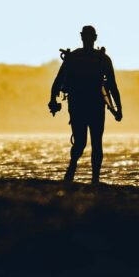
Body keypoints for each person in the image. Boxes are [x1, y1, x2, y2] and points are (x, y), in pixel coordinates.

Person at [48, 25, 122, 183]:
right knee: (87, 142)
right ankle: (79, 171)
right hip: (87, 106)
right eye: (87, 36)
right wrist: (118, 108)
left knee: (90, 142)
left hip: (82, 106)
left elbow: (58, 81)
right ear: (87, 38)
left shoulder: (81, 57)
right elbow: (112, 86)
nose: (88, 39)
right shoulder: (96, 58)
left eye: (89, 37)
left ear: (92, 38)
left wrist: (118, 108)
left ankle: (87, 176)